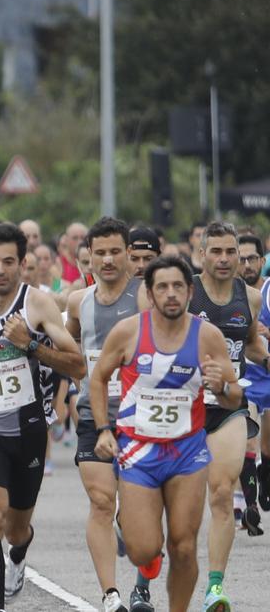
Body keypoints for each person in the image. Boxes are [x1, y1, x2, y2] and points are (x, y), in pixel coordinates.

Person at [0, 222, 85, 611]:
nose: (1, 270)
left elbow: (76, 365)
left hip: (29, 429)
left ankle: (20, 552)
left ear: (23, 263)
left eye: (9, 262)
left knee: (15, 527)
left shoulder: (37, 304)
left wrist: (31, 345)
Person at [91, 257, 240, 612]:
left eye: (178, 287)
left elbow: (234, 394)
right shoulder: (128, 332)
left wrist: (221, 386)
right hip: (138, 451)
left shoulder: (207, 336)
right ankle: (142, 547)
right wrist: (102, 430)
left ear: (190, 291)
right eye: (162, 287)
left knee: (184, 546)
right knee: (144, 548)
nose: (171, 294)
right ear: (150, 293)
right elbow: (98, 378)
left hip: (187, 452)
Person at [184, 222, 268, 608]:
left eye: (229, 252)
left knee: (220, 493)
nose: (223, 259)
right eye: (215, 251)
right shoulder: (184, 293)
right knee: (181, 507)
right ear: (201, 254)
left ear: (239, 255)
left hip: (230, 407)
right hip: (183, 409)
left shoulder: (248, 298)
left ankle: (215, 586)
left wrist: (265, 356)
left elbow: (250, 345)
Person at [64, 218, 146, 612]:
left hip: (141, 419)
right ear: (89, 257)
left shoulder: (145, 295)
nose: (109, 259)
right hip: (92, 414)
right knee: (100, 501)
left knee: (135, 515)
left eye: (116, 251)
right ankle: (110, 594)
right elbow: (72, 345)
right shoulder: (77, 302)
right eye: (101, 253)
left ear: (129, 253)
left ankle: (131, 538)